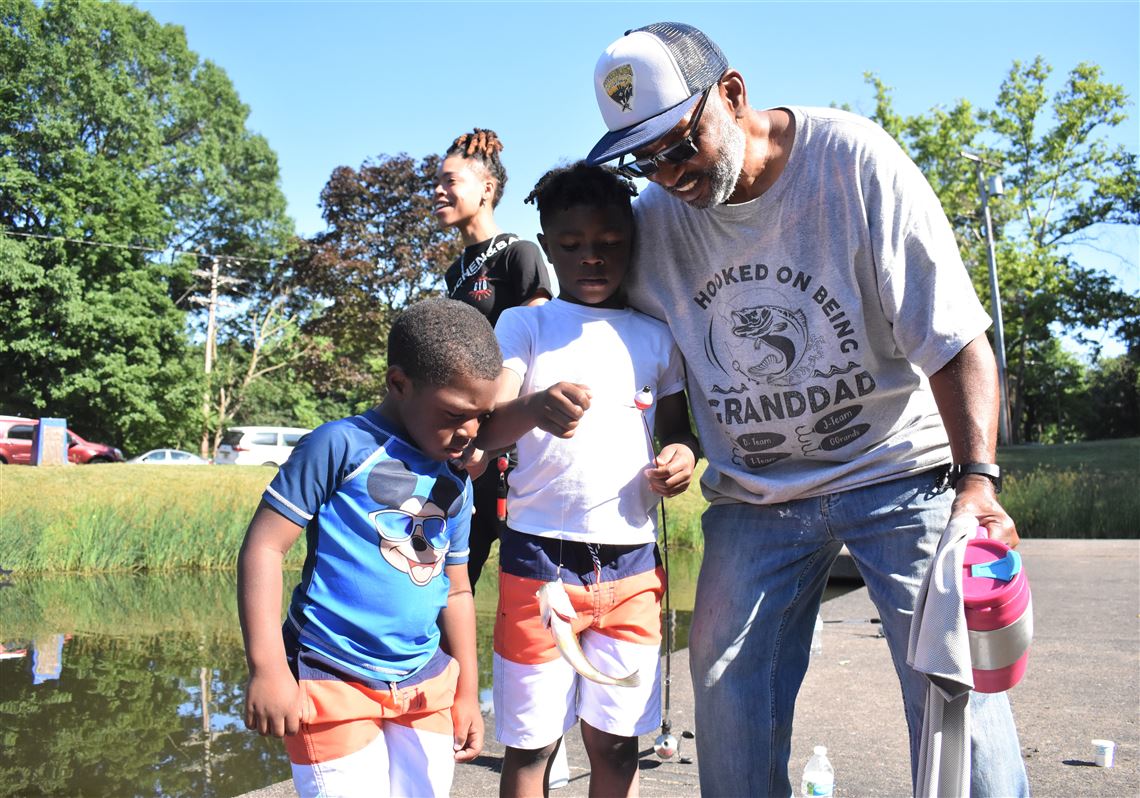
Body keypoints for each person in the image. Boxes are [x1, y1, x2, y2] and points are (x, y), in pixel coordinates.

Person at [584, 21, 1029, 798]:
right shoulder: (650, 223)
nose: (668, 173)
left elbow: (957, 340)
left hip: (898, 473)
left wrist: (979, 483)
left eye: (680, 145)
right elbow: (625, 344)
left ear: (732, 93)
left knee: (958, 705)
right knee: (724, 695)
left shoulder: (852, 162)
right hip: (756, 497)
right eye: (642, 159)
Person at [476, 162, 699, 797]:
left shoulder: (658, 337)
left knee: (617, 742)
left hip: (631, 568)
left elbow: (679, 431)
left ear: (633, 243)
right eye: (571, 247)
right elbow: (487, 430)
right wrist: (532, 407)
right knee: (531, 745)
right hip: (535, 564)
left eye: (609, 244)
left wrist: (681, 460)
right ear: (547, 247)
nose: (591, 259)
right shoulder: (525, 326)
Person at [237, 298, 499, 798]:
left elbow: (458, 591)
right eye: (455, 414)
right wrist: (268, 668)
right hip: (334, 675)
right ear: (399, 384)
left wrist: (467, 690)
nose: (469, 432)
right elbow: (264, 550)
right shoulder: (338, 446)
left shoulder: (457, 481)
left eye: (482, 417)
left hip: (426, 682)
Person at [435, 127, 553, 592]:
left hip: (509, 451)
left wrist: (495, 441)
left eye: (450, 181)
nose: (438, 192)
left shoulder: (519, 254)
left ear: (487, 188)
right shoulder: (456, 271)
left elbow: (538, 348)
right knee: (450, 578)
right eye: (436, 183)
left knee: (531, 584)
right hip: (466, 443)